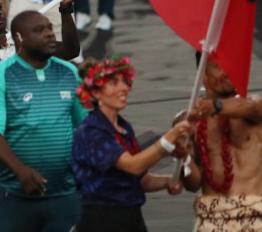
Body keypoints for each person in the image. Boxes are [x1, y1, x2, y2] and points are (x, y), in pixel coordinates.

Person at [0, 0, 81, 192]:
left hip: (34, 134)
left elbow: (70, 50)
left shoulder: (23, 40)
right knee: (2, 204)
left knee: (43, 197)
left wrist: (66, 10)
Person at [0, 10, 88, 232]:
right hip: (12, 192)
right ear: (18, 39)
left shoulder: (69, 73)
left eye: (49, 29)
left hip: (64, 191)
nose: (48, 34)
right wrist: (20, 170)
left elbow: (83, 126)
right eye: (39, 30)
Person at [72, 56, 194, 232]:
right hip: (102, 222)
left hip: (132, 220)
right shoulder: (91, 131)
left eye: (124, 82)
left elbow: (139, 179)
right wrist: (169, 139)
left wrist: (168, 181)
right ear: (96, 93)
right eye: (114, 83)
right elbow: (133, 166)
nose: (124, 88)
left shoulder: (123, 127)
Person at [184, 59, 262, 230]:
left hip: (255, 219)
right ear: (202, 75)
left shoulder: (255, 107)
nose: (227, 73)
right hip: (211, 220)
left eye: (231, 65)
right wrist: (183, 158)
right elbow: (193, 184)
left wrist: (214, 106)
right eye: (219, 67)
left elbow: (249, 106)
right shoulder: (188, 122)